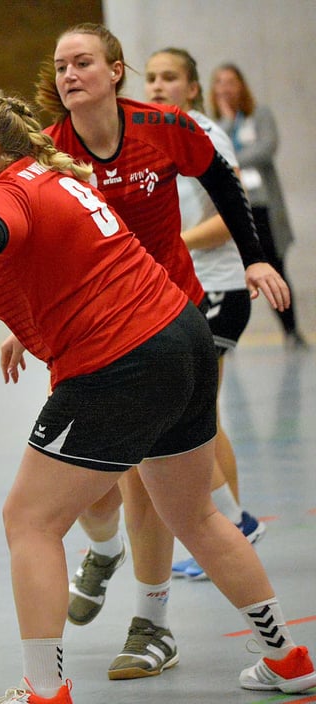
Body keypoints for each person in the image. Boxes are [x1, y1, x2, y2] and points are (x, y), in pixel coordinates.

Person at [0, 85, 314, 704]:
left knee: (29, 520)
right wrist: (14, 320)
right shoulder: (48, 177)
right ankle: (287, 657)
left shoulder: (7, 191)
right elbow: (57, 256)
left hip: (124, 360)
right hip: (179, 339)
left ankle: (45, 690)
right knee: (197, 517)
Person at [32, 23, 289, 681]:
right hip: (93, 334)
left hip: (169, 327)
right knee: (104, 495)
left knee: (152, 490)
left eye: (82, 62)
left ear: (116, 70)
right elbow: (38, 237)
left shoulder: (164, 126)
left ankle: (152, 624)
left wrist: (256, 258)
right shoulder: (52, 151)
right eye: (60, 66)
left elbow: (226, 183)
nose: (69, 74)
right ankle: (107, 555)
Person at [145, 47, 265, 581]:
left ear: (192, 89)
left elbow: (230, 219)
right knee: (203, 414)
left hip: (217, 288)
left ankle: (232, 524)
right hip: (188, 289)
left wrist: (171, 245)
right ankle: (235, 524)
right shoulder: (156, 135)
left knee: (186, 410)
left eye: (170, 78)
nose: (157, 86)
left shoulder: (205, 135)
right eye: (151, 77)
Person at [211, 63, 307, 348]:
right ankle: (226, 336)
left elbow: (266, 148)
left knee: (274, 266)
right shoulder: (215, 124)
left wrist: (233, 158)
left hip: (262, 205)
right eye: (220, 82)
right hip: (231, 208)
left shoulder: (259, 115)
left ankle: (291, 331)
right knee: (233, 273)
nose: (225, 88)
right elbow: (214, 155)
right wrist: (227, 122)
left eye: (231, 81)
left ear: (241, 85)